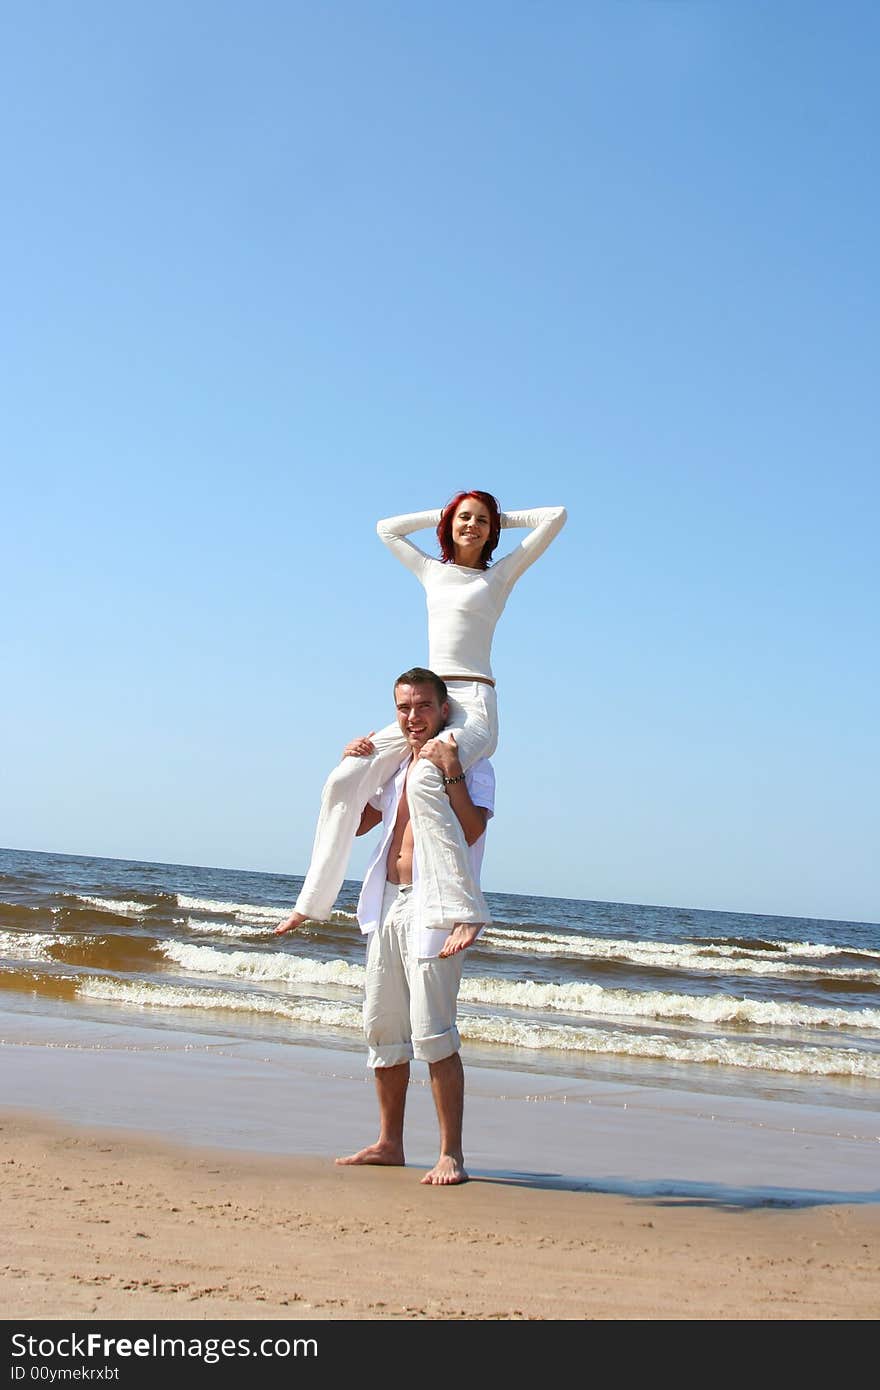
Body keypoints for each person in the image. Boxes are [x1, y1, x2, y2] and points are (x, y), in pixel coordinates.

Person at [275, 493, 565, 940]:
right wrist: (449, 515)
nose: (473, 525)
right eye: (464, 518)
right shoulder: (432, 571)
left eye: (482, 521)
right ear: (449, 523)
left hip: (474, 701)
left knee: (427, 777)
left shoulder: (500, 576)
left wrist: (497, 520)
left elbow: (555, 516)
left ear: (494, 530)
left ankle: (464, 908)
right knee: (344, 777)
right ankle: (311, 903)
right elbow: (386, 527)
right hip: (429, 698)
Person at [335, 668, 495, 1185]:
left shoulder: (471, 760)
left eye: (422, 706)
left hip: (435, 905)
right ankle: (389, 1143)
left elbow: (471, 830)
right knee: (383, 1028)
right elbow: (362, 824)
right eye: (403, 707)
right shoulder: (396, 764)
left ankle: (452, 1154)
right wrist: (353, 769)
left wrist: (449, 770)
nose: (412, 717)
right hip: (386, 902)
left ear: (443, 709)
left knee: (434, 1032)